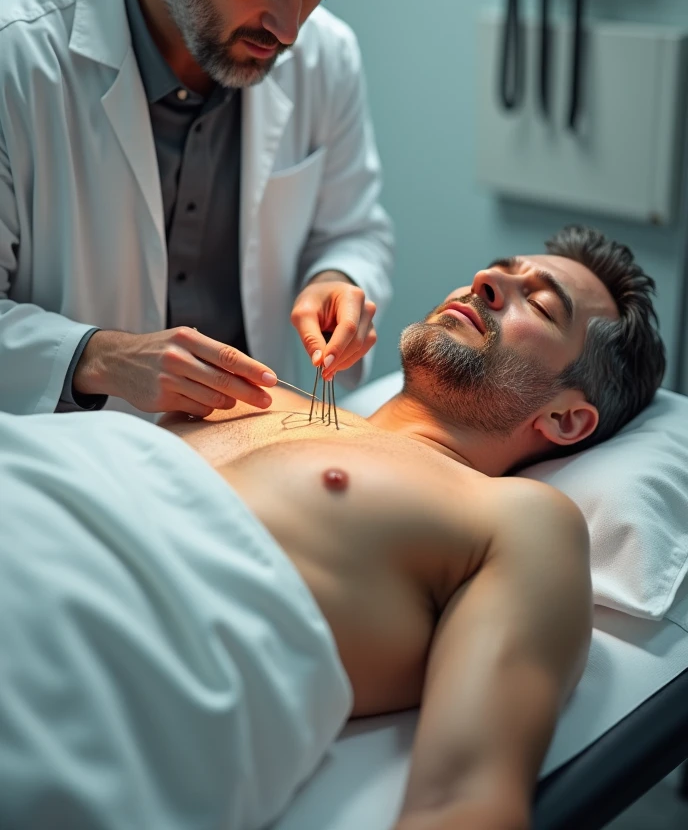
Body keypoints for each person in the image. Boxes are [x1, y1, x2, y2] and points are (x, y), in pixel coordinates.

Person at [0, 226, 666, 830]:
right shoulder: (243, 388)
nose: (487, 282)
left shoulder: (515, 519)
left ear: (567, 420)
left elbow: (464, 803)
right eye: (498, 268)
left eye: (541, 305)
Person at [0, 0, 395, 418]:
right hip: (74, 463)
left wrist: (335, 280)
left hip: (254, 456)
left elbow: (352, 229)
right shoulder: (15, 62)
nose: (289, 29)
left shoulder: (328, 55)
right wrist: (97, 357)